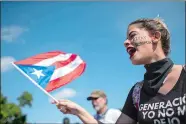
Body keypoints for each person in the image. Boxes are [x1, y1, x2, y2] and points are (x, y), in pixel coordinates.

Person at [52, 17, 186, 124]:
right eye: (126, 38)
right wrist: (79, 111)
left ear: (155, 37)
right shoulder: (137, 92)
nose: (125, 42)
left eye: (132, 35)